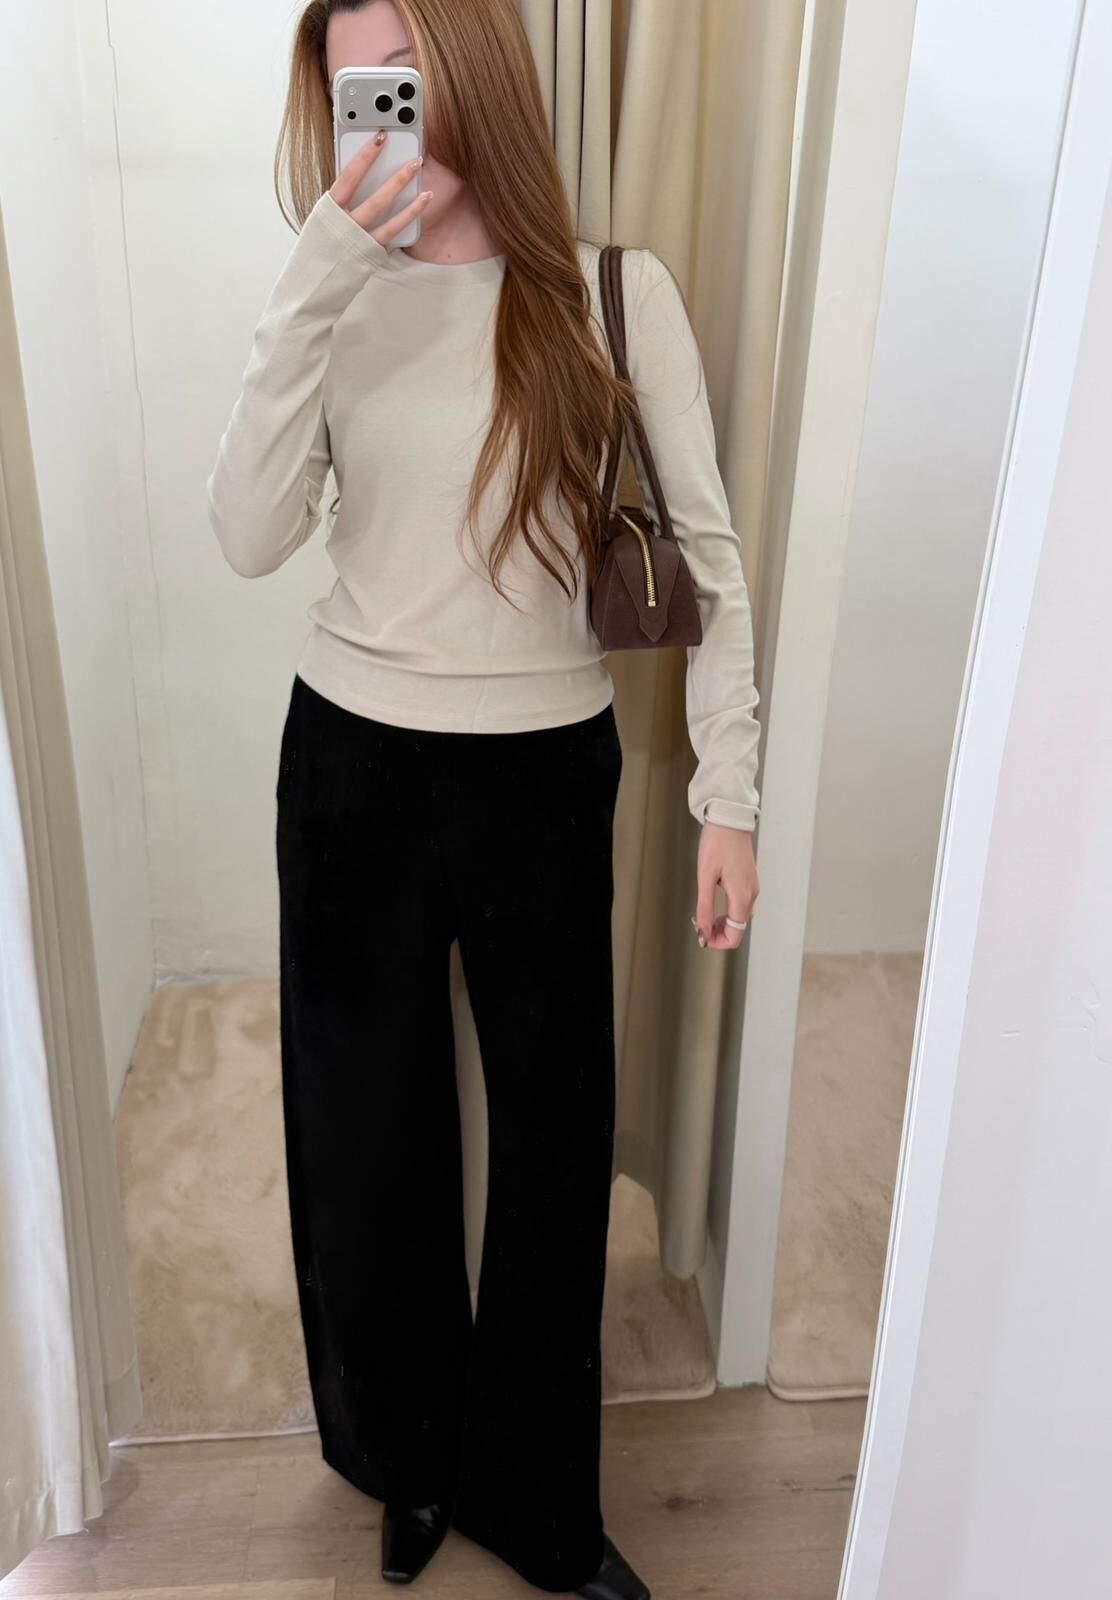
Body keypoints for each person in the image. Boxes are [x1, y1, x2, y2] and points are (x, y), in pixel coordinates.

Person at [206, 1, 761, 1594]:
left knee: (554, 1147)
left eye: (410, 75)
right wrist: (316, 270)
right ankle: (407, 1459)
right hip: (351, 770)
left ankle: (537, 1503)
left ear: (480, 75)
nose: (384, 111)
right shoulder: (335, 300)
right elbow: (246, 535)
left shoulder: (606, 294)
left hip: (542, 774)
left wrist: (729, 795)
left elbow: (708, 557)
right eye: (353, 88)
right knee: (366, 1143)